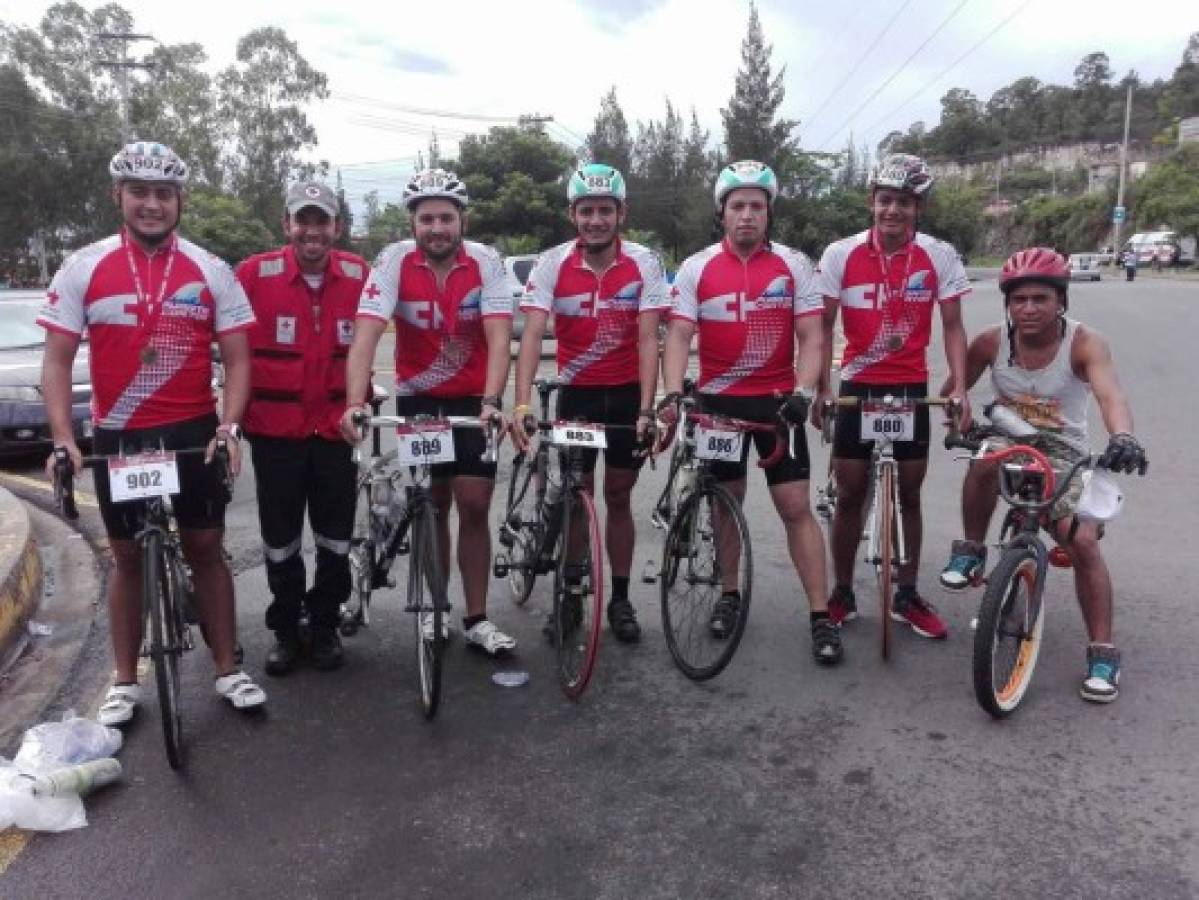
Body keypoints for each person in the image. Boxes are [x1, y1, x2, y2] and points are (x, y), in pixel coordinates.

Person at [38, 141, 265, 724]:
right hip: (120, 434)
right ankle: (122, 680)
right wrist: (64, 436)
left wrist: (229, 425)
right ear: (119, 196)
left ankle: (227, 667)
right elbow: (58, 361)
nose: (152, 204)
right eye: (139, 191)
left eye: (164, 193)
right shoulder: (83, 266)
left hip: (192, 429)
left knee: (208, 549)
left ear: (179, 200)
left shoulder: (211, 269)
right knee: (126, 558)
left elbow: (239, 360)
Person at [938, 247, 1148, 702]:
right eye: (1019, 300)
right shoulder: (991, 343)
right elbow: (956, 390)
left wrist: (1124, 437)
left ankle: (1103, 652)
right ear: (1007, 304)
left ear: (1061, 301)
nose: (1029, 309)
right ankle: (970, 551)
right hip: (1009, 440)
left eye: (1040, 299)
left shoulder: (1085, 342)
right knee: (985, 457)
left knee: (1084, 542)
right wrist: (960, 415)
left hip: (1063, 450)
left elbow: (1112, 396)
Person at [660, 160, 841, 664]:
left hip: (778, 402)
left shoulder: (794, 265)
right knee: (725, 502)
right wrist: (673, 393)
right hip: (718, 403)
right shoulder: (698, 266)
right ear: (722, 213)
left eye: (756, 207)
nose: (747, 215)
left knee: (796, 507)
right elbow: (677, 335)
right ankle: (729, 595)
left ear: (768, 213)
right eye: (737, 206)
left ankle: (820, 615)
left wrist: (804, 389)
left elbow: (812, 336)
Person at [339, 168, 517, 656]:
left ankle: (477, 617)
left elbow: (501, 337)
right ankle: (435, 610)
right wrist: (355, 403)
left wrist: (492, 401)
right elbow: (367, 333)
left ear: (461, 219)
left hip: (472, 400)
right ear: (413, 223)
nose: (436, 228)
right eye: (426, 219)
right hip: (420, 400)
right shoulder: (394, 262)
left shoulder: (487, 262)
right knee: (432, 504)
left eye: (446, 217)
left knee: (475, 504)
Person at [813, 152, 971, 640]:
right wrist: (820, 387)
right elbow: (821, 325)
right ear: (871, 203)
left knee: (910, 493)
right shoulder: (841, 254)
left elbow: (952, 326)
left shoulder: (939, 255)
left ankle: (906, 594)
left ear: (917, 208)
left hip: (909, 388)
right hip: (857, 384)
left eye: (904, 202)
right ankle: (841, 591)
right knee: (850, 494)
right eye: (885, 200)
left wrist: (961, 386)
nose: (893, 212)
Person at [511, 164, 668, 643]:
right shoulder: (552, 263)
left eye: (604, 210)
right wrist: (521, 405)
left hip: (624, 396)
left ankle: (619, 599)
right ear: (572, 214)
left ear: (621, 212)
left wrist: (647, 407)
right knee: (578, 497)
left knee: (618, 497)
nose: (595, 220)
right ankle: (571, 594)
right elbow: (533, 335)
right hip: (577, 395)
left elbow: (648, 340)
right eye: (586, 211)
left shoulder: (644, 262)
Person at [236, 181, 368, 674]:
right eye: (302, 220)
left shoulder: (359, 274)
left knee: (336, 536)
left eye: (323, 221)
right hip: (276, 432)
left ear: (337, 226)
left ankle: (327, 622)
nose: (312, 231)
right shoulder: (253, 274)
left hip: (338, 431)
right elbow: (221, 337)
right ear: (286, 224)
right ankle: (287, 627)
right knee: (280, 537)